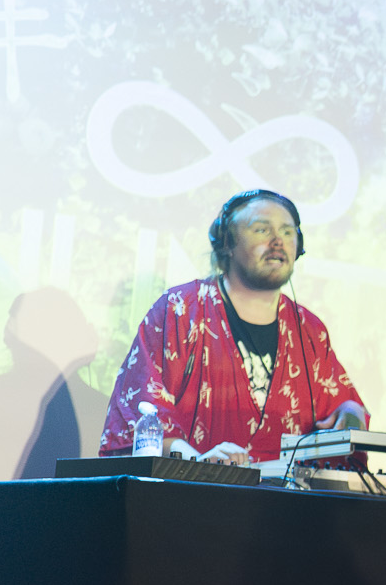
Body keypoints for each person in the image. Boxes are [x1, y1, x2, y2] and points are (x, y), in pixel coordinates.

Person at [98, 189, 368, 463]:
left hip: (287, 491)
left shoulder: (309, 329)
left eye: (287, 232)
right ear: (227, 242)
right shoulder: (180, 310)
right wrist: (200, 463)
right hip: (191, 486)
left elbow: (342, 406)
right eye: (262, 230)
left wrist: (350, 411)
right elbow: (142, 414)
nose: (278, 241)